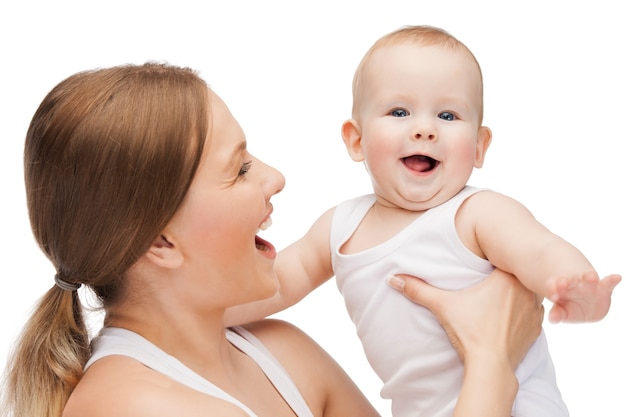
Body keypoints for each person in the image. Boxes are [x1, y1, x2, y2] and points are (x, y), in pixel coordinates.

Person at [0, 62, 545, 417]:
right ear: (160, 243)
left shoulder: (282, 353)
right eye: (238, 170)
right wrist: (492, 362)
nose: (274, 177)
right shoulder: (132, 407)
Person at [225, 26, 622, 417]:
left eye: (448, 115)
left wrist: (571, 282)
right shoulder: (340, 227)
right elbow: (276, 285)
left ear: (480, 147)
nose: (425, 129)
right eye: (399, 111)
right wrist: (196, 317)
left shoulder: (475, 214)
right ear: (356, 140)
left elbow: (540, 249)